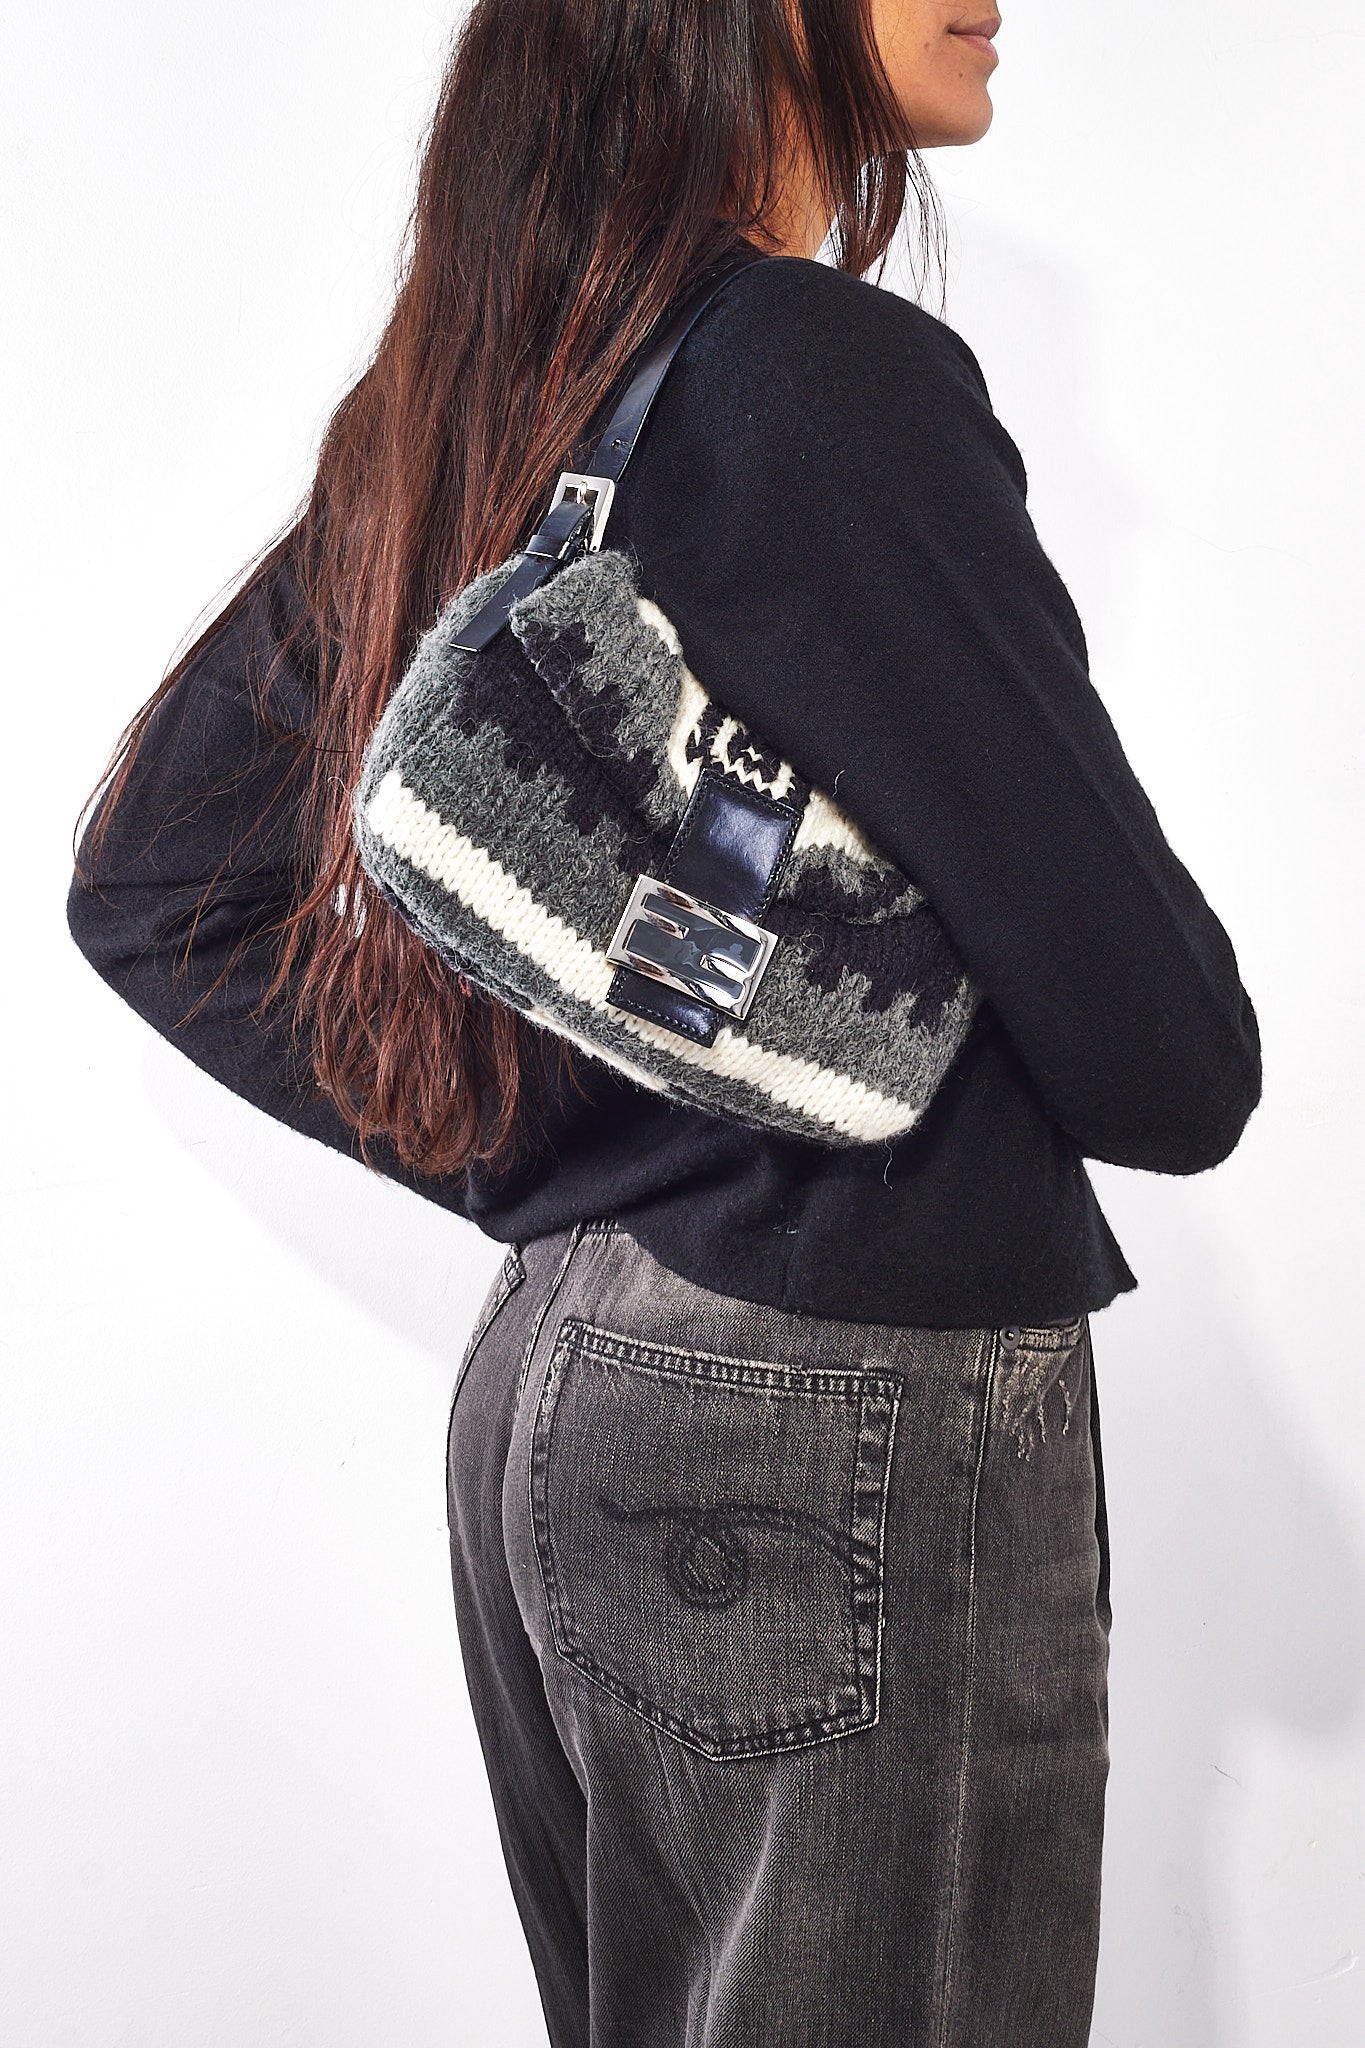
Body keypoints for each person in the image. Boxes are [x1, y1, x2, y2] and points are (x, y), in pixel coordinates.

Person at [67, 3, 1263, 2042]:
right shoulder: (819, 376)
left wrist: (579, 1151)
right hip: (845, 1404)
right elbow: (1168, 1060)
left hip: (561, 1379)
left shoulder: (500, 383)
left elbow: (157, 873)